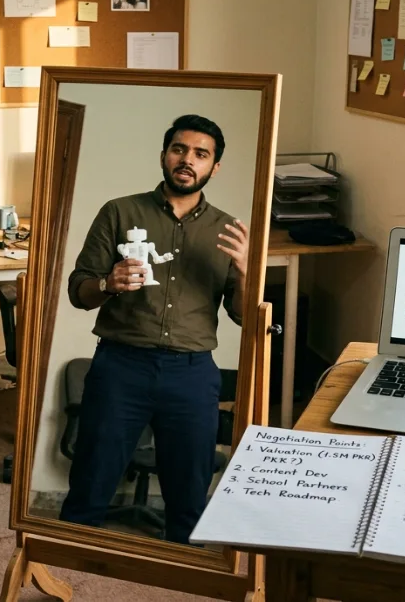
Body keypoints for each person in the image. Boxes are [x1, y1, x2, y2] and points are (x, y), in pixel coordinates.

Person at [58, 114, 249, 545]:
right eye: (180, 149)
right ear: (164, 155)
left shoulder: (228, 230)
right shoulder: (120, 211)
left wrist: (246, 271)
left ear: (214, 167)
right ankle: (59, 573)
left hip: (192, 372)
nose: (188, 160)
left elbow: (245, 316)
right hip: (121, 366)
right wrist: (107, 283)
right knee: (90, 482)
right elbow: (77, 291)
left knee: (188, 497)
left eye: (201, 154)